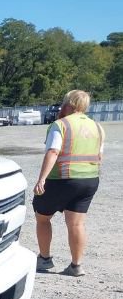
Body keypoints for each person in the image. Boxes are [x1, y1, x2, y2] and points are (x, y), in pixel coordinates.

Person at [33, 90, 104, 277]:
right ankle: (76, 265)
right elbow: (99, 155)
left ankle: (45, 259)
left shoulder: (60, 125)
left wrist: (41, 179)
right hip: (89, 180)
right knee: (76, 224)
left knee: (42, 218)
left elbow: (53, 152)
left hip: (61, 179)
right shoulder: (97, 127)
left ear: (68, 104)